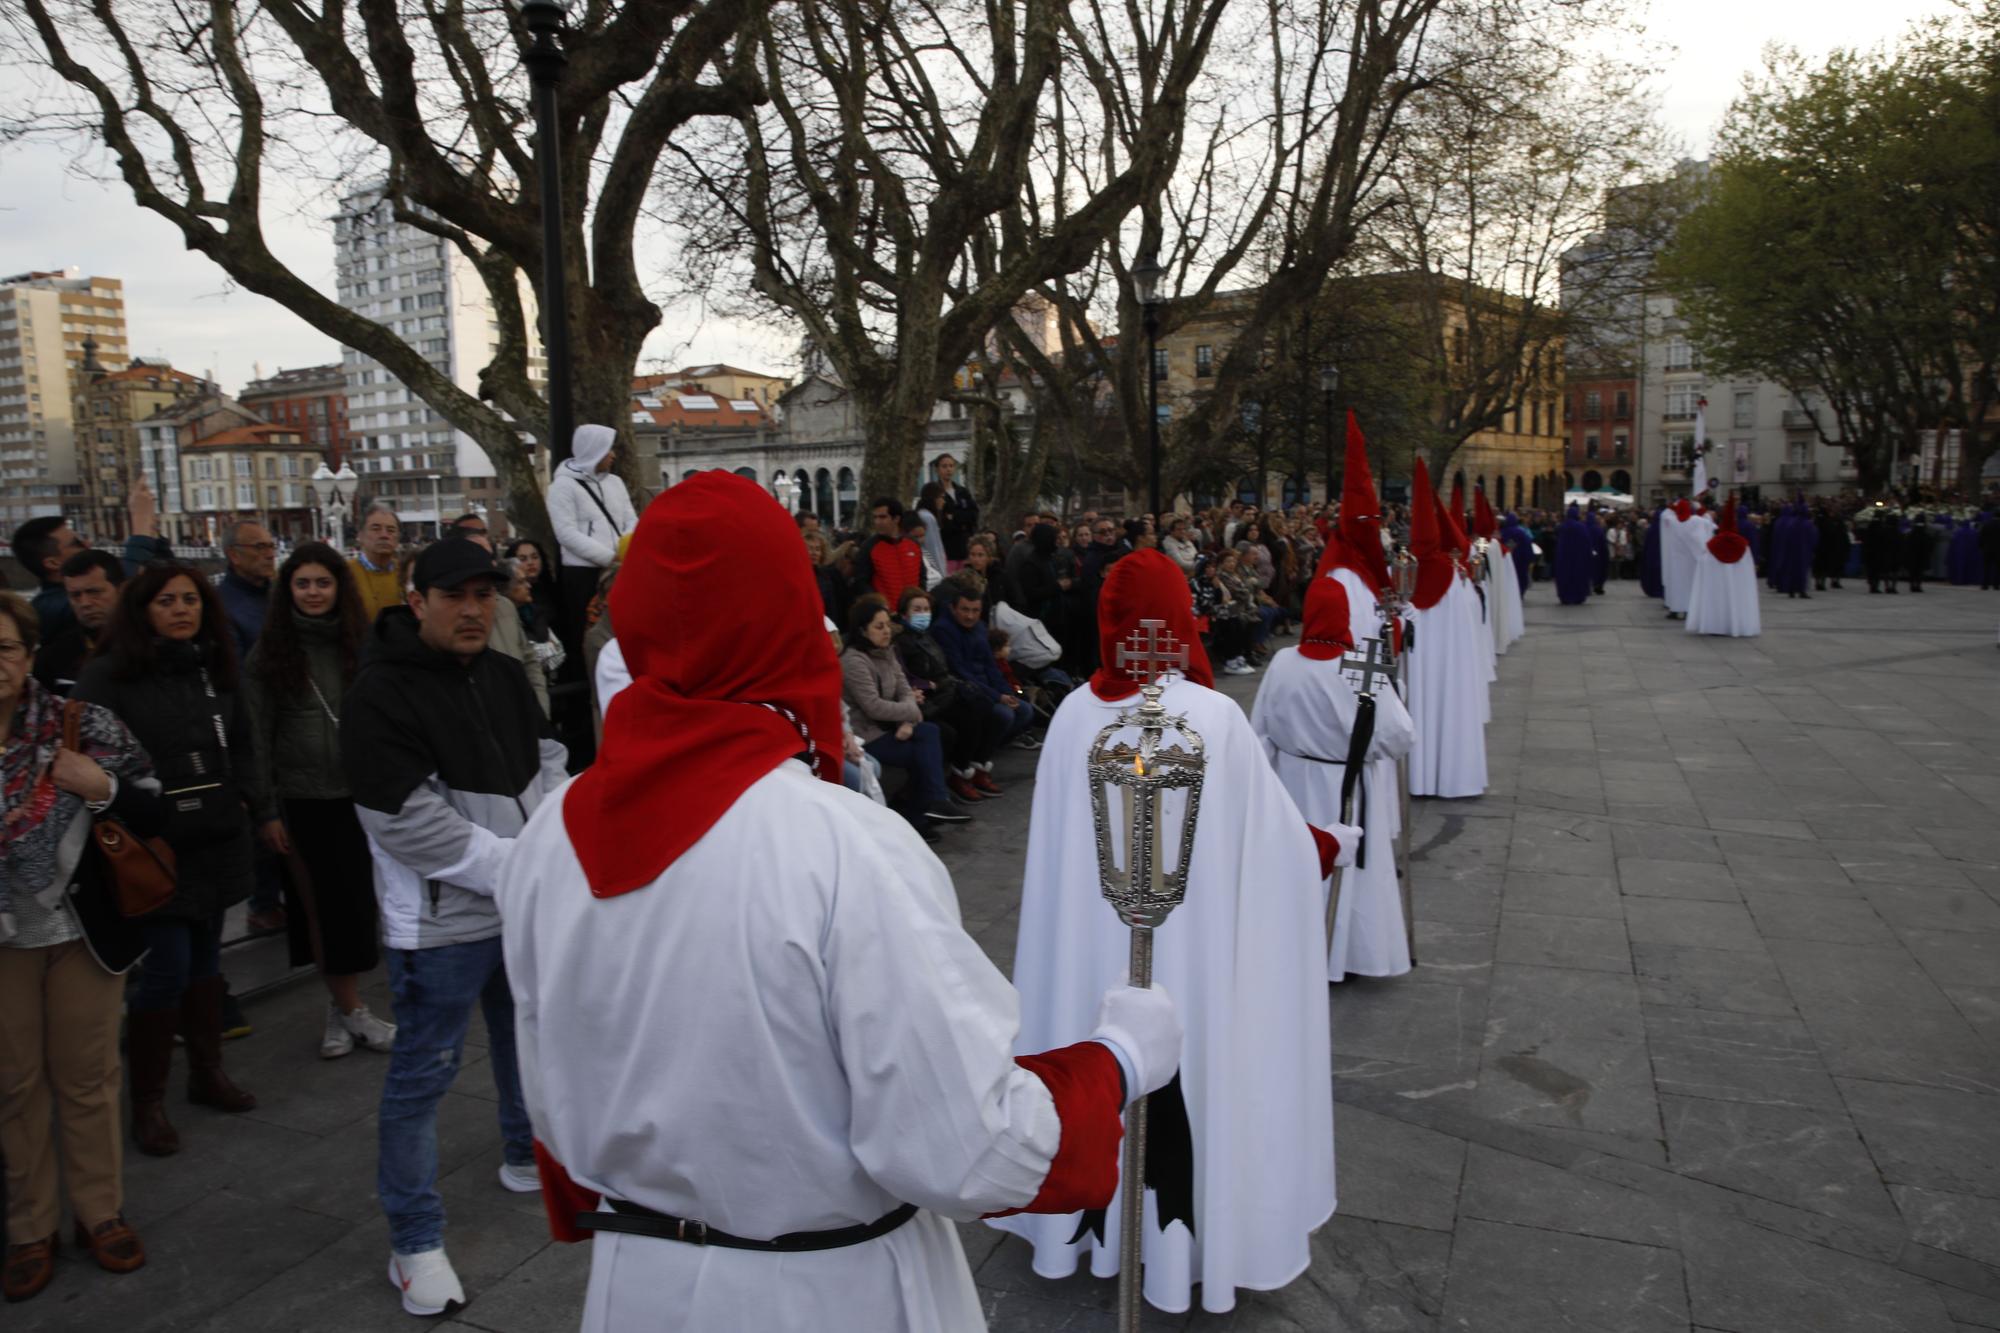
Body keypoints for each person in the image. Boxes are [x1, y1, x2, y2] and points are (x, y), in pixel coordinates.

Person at [497, 471, 1175, 1332]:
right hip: (821, 1292)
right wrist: (1114, 1061)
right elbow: (968, 1145)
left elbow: (552, 1104)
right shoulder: (840, 845)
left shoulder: (547, 839)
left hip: (638, 1284)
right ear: (785, 627)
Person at [994, 549, 1342, 1316]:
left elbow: (1056, 868)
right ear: (1181, 621)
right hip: (1189, 957)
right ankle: (1184, 1238)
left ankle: (1090, 1226)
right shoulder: (1213, 719)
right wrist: (1326, 845)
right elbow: (1277, 843)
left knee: (1101, 1052)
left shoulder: (1072, 721)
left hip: (1095, 953)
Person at [339, 538, 570, 1317]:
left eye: (485, 594)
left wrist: (549, 849)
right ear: (418, 600)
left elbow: (548, 761)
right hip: (441, 926)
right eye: (455, 595)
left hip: (519, 906)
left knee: (522, 1034)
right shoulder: (380, 691)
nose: (474, 608)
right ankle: (414, 1239)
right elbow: (400, 818)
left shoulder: (506, 674)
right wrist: (516, 866)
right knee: (421, 1075)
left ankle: (521, 1150)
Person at [73, 564, 266, 1157]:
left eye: (190, 600)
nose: (181, 610)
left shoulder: (214, 667)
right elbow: (87, 756)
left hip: (216, 832)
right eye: (166, 601)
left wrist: (260, 809)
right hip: (151, 842)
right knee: (167, 966)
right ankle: (148, 1102)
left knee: (206, 957)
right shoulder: (108, 675)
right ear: (141, 609)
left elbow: (244, 741)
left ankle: (207, 1072)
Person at [0, 591, 159, 1302]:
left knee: (88, 1076)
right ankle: (31, 1226)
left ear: (29, 653)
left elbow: (151, 795)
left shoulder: (78, 721)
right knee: (12, 1083)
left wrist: (101, 787)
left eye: (5, 647)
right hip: (4, 939)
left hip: (80, 930)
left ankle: (100, 1211)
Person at [242, 543, 399, 1060]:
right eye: (302, 584)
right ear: (288, 590)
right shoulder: (269, 655)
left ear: (339, 588)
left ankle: (342, 1007)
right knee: (321, 911)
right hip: (301, 798)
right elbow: (256, 736)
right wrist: (264, 809)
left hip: (359, 795)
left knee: (359, 908)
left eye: (322, 583)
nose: (313, 593)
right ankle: (351, 1008)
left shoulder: (361, 643)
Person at [1253, 577, 1412, 981]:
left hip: (1291, 782)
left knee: (1297, 862)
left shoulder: (1283, 661)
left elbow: (1261, 728)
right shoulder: (1363, 663)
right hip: (1349, 784)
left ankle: (1295, 950)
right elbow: (1399, 736)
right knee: (1353, 872)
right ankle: (1352, 955)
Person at [839, 602, 971, 839]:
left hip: (893, 724)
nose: (887, 631)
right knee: (923, 751)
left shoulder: (888, 652)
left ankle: (930, 806)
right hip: (866, 733)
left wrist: (907, 721)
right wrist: (910, 714)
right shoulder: (854, 661)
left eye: (888, 625)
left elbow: (905, 690)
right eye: (879, 626)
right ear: (862, 630)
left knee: (932, 733)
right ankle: (923, 812)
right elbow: (873, 706)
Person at [1404, 466, 1488, 798]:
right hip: (1452, 665)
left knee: (1420, 705)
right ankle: (1453, 775)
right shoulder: (1456, 576)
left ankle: (1419, 776)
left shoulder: (1406, 572)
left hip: (1420, 664)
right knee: (1449, 707)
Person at [892, 588, 1005, 801]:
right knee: (967, 719)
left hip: (943, 690)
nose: (923, 613)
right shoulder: (902, 641)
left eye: (926, 609)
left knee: (987, 709)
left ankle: (974, 768)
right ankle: (959, 774)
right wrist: (929, 684)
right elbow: (905, 676)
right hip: (925, 697)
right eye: (917, 609)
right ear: (904, 613)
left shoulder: (925, 635)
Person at [548, 424, 637, 652]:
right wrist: (609, 557)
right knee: (587, 631)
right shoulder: (563, 486)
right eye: (608, 450)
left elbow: (629, 519)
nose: (613, 455)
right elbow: (566, 533)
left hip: (618, 568)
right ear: (595, 451)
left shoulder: (615, 483)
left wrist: (626, 549)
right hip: (583, 573)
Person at [930, 579, 1038, 750]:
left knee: (1025, 710)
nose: (970, 616)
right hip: (965, 691)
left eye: (975, 611)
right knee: (1005, 715)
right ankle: (978, 753)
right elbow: (959, 671)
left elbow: (991, 665)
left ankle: (988, 746)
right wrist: (998, 696)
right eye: (965, 610)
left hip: (987, 689)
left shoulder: (979, 628)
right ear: (953, 608)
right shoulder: (943, 630)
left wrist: (1007, 692)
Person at [33, 549, 124, 696]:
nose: (84, 603)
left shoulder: (152, 645)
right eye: (75, 595)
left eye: (94, 592)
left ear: (121, 590)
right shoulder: (53, 658)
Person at [1685, 498, 1761, 638]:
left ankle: (1715, 624)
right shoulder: (1743, 545)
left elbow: (1704, 565)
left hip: (1716, 583)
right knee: (1736, 597)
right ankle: (1737, 623)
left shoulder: (1712, 544)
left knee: (1716, 598)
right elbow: (1747, 569)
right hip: (1737, 583)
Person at [216, 520, 278, 658]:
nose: (270, 555)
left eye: (271, 546)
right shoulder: (220, 606)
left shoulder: (279, 594)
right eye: (260, 547)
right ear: (234, 555)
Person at [349, 502, 407, 623]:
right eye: (376, 529)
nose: (384, 535)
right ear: (360, 535)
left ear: (398, 538)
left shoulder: (405, 572)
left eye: (390, 530)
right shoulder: (347, 572)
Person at [864, 498, 924, 605]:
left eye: (882, 517)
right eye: (875, 517)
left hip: (913, 613)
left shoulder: (913, 544)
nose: (877, 522)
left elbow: (922, 577)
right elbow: (862, 583)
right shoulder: (869, 547)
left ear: (896, 519)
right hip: (886, 615)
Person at [932, 451, 980, 569]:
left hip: (965, 545)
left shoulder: (962, 491)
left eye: (951, 466)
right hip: (947, 548)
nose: (948, 469)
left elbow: (973, 515)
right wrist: (954, 519)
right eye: (944, 466)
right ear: (937, 469)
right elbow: (941, 521)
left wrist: (953, 516)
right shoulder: (933, 493)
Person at [1658, 498, 1702, 619]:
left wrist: (1672, 506)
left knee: (1676, 585)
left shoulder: (1672, 520)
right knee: (1689, 585)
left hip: (1676, 559)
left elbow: (1665, 516)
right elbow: (1707, 524)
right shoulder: (1695, 521)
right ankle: (1688, 609)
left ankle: (1675, 609)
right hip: (1689, 559)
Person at [1553, 504, 1593, 606]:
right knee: (1578, 576)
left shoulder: (1563, 526)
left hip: (1564, 557)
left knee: (1565, 576)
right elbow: (1587, 542)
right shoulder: (1581, 527)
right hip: (1579, 558)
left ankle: (1565, 596)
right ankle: (1578, 596)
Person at [913, 481, 949, 579]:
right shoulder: (928, 518)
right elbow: (933, 548)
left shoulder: (921, 514)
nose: (943, 501)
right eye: (942, 497)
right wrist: (941, 573)